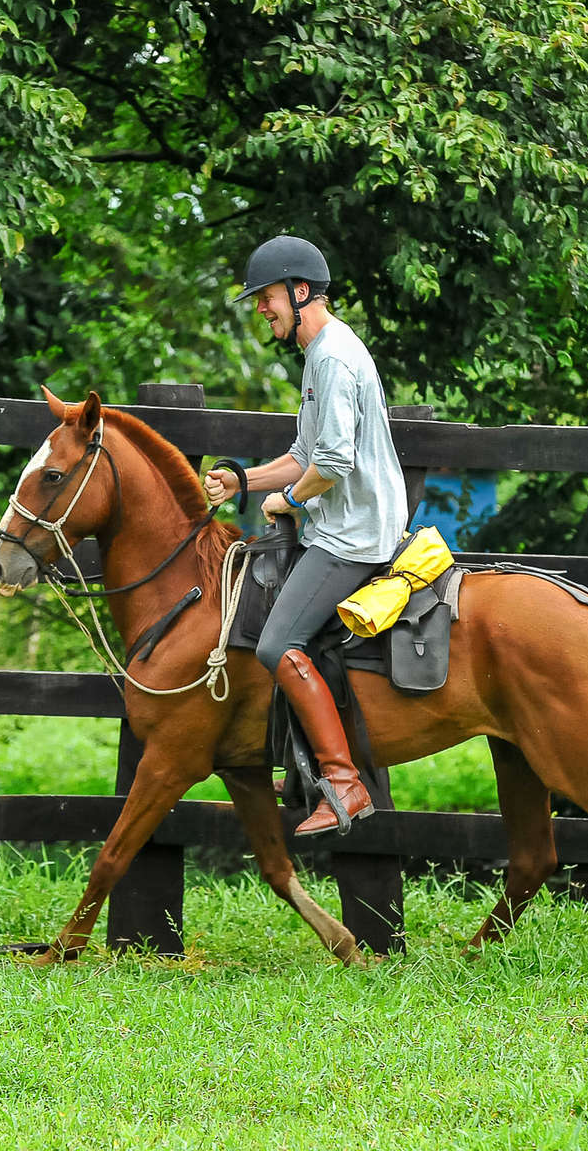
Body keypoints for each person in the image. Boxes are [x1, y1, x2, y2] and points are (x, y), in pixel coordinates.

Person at [202, 235, 409, 835]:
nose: (260, 309)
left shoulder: (333, 358)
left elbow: (335, 463)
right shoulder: (321, 355)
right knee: (278, 628)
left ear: (298, 291)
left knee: (273, 645)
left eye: (265, 298)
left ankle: (344, 782)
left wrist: (289, 500)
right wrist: (241, 481)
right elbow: (304, 453)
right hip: (336, 525)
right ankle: (301, 768)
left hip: (353, 536)